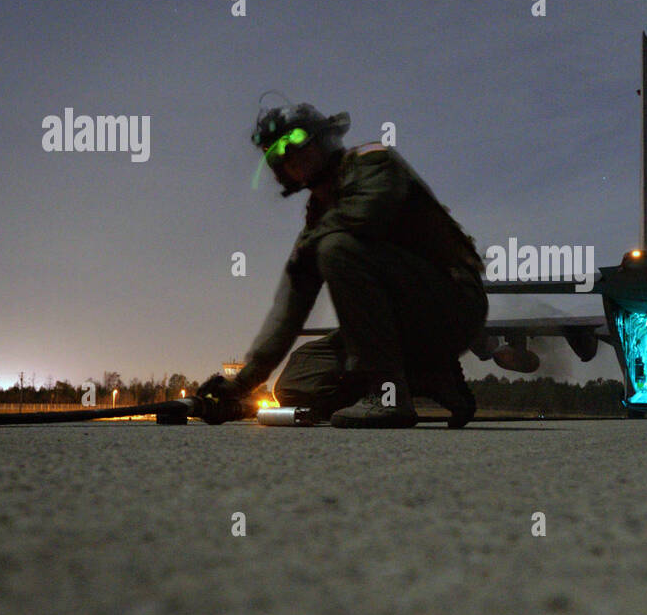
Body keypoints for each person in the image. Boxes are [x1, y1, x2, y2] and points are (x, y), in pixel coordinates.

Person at [196, 102, 487, 428]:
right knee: (297, 383)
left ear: (322, 137)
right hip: (399, 329)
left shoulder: (373, 161)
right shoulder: (318, 219)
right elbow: (289, 312)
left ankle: (387, 394)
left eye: (296, 137)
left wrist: (312, 248)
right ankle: (429, 378)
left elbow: (367, 213)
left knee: (337, 247)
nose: (290, 152)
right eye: (277, 150)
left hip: (452, 305)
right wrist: (239, 386)